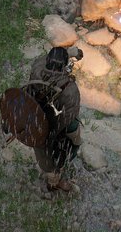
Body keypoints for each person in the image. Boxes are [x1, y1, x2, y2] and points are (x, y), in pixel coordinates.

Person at [25, 46, 83, 193]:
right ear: (64, 65)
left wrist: (68, 53)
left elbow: (45, 58)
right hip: (49, 124)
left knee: (43, 150)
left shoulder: (37, 67)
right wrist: (53, 132)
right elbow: (69, 116)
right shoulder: (70, 89)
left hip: (33, 113)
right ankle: (54, 182)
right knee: (71, 142)